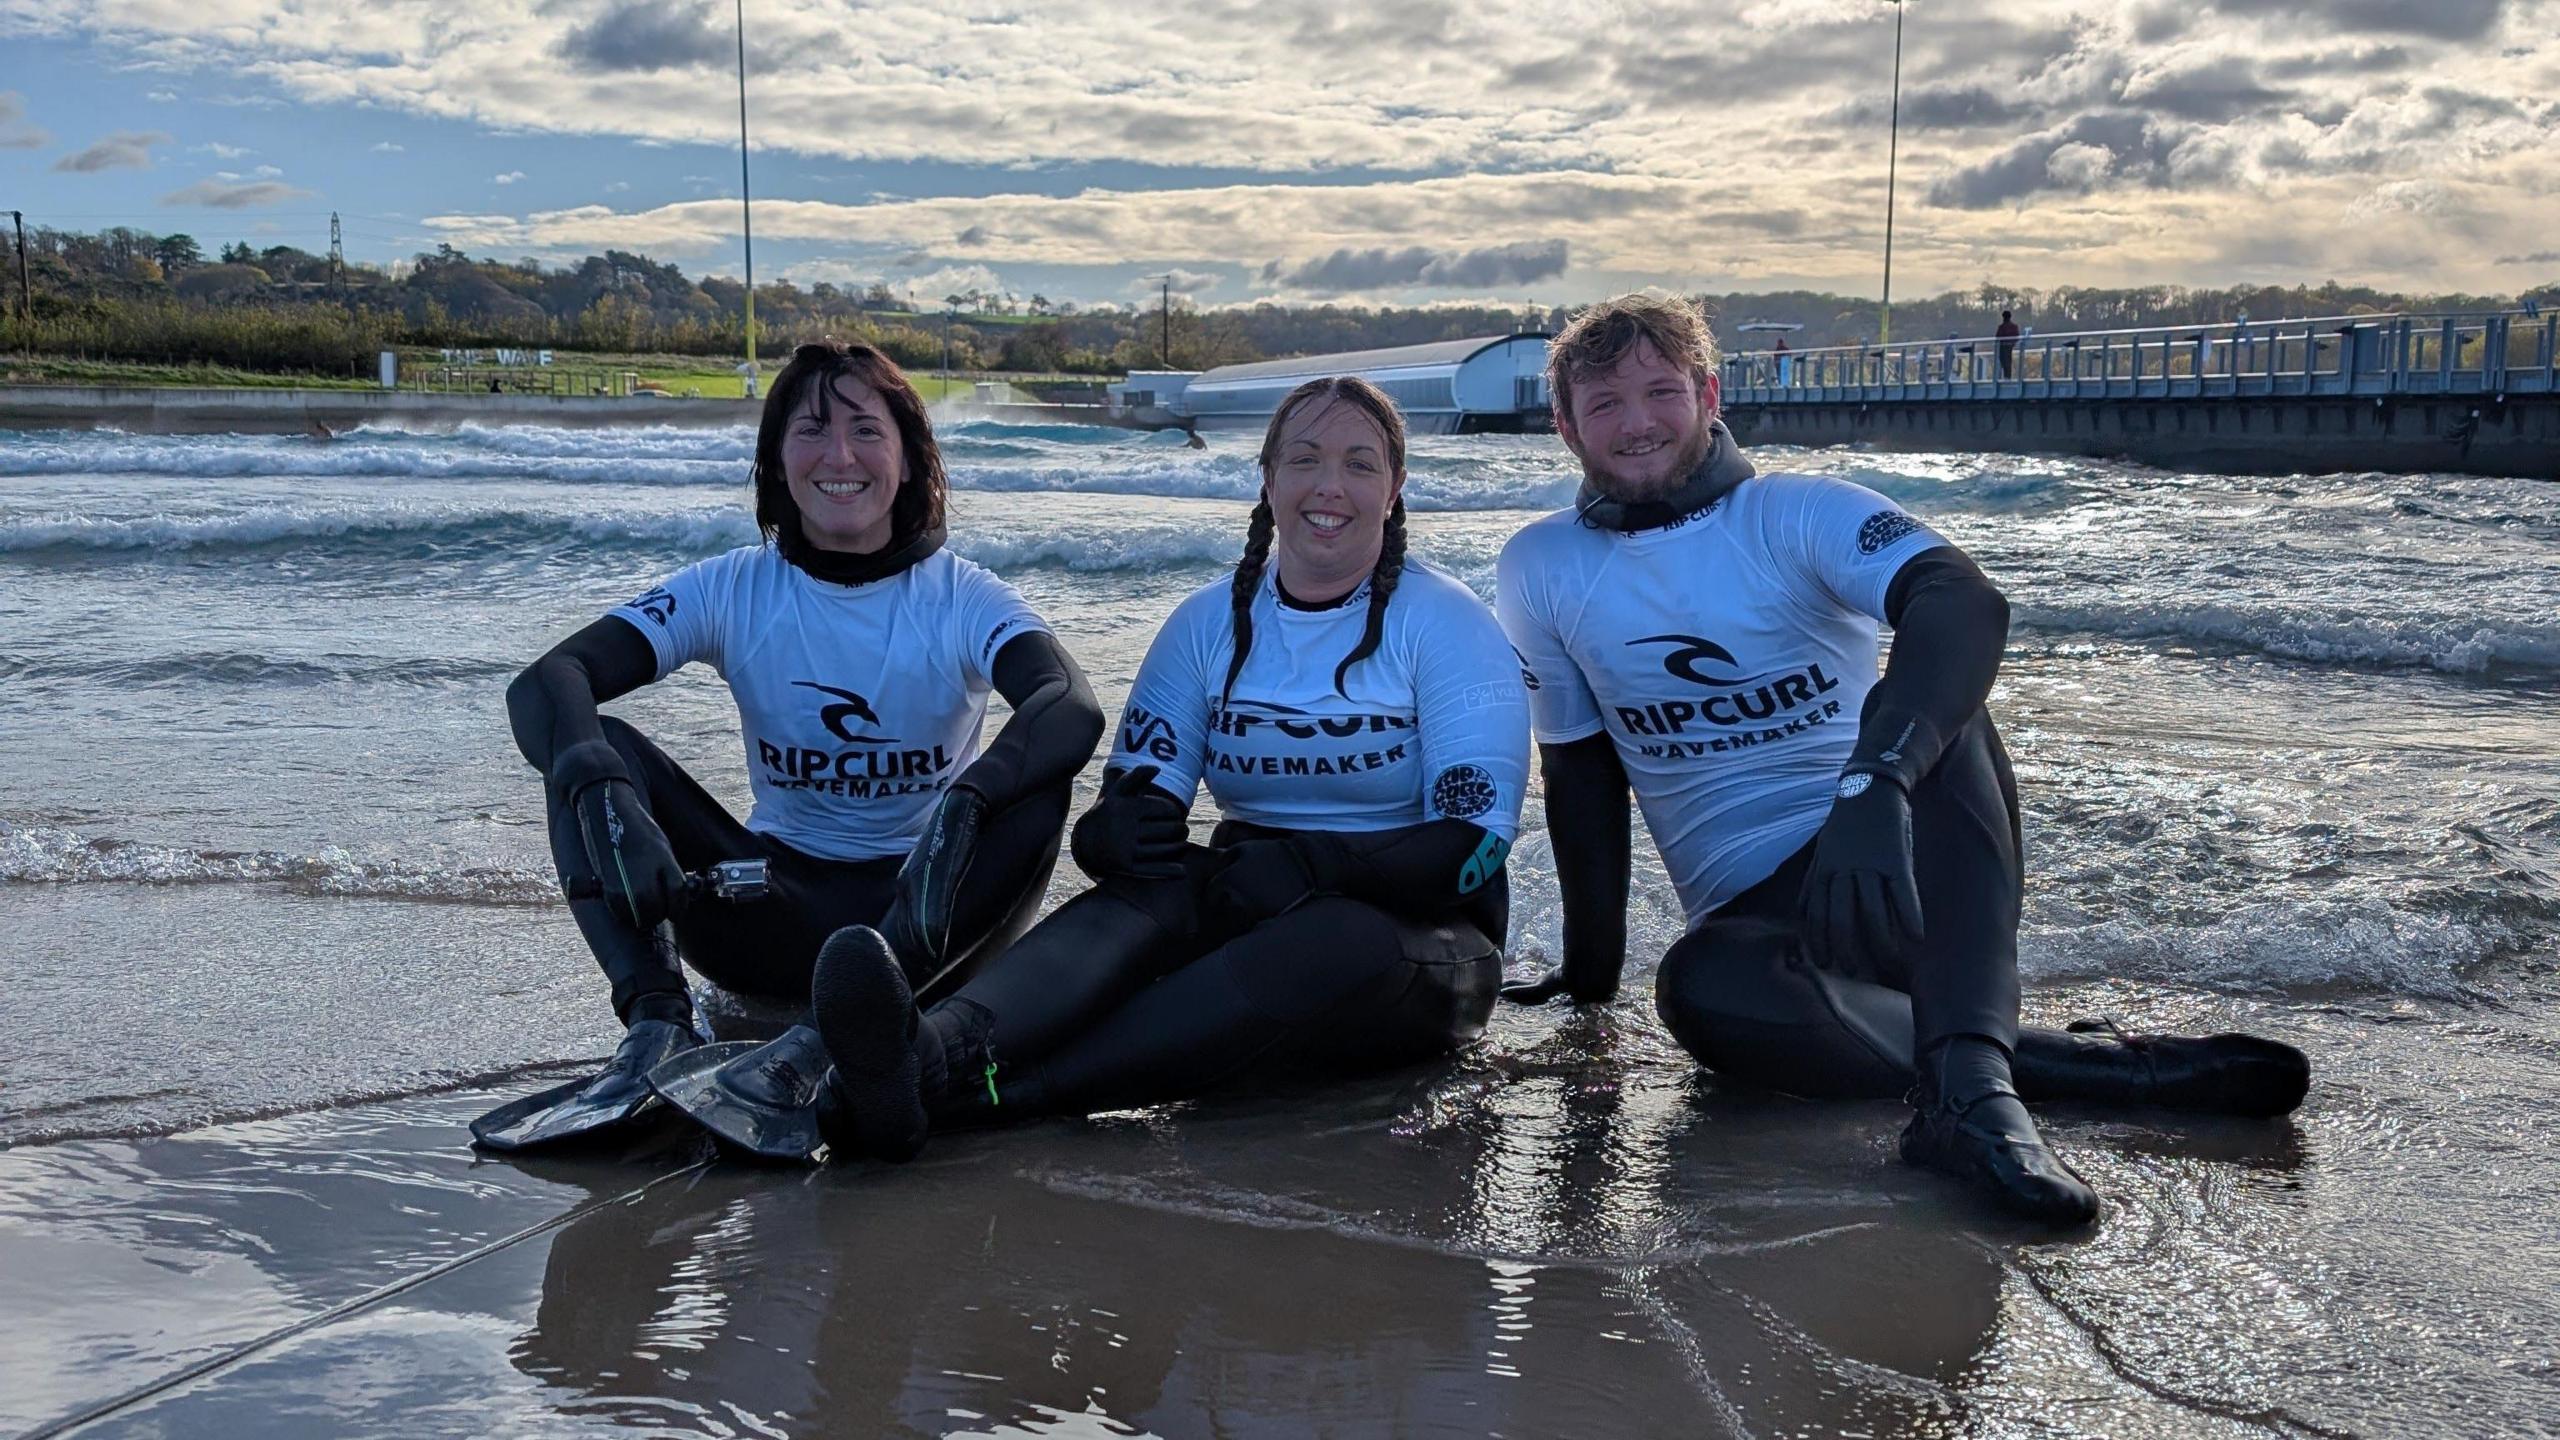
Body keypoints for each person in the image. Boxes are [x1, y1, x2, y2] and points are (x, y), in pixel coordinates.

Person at [1493, 292, 2308, 1226]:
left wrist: (1874, 784)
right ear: (1565, 426)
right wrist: (1588, 982)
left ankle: (1968, 1107)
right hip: (1776, 940)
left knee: (1939, 706)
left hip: (1903, 864)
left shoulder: (1794, 513)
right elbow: (1584, 769)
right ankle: (2069, 1069)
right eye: (1604, 404)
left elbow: (1963, 602)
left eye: (1660, 392)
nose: (1636, 424)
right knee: (1697, 989)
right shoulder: (1540, 566)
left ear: (1709, 393)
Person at [660, 376, 1531, 1162]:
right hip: (1259, 889)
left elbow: (1474, 851)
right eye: (1303, 459)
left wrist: (1316, 866)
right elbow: (1135, 798)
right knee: (1147, 896)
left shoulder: (1447, 627)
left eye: (1358, 463)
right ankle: (934, 1049)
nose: (1328, 486)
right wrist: (1115, 830)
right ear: (1267, 479)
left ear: (1396, 487)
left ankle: (981, 1101)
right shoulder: (1205, 625)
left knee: (1330, 938)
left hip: (1421, 937)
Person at [472, 339, 1104, 1152]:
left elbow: (1070, 703)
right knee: (593, 743)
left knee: (1038, 781)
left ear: (909, 459)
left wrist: (972, 798)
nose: (839, 456)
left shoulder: (964, 596)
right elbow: (549, 679)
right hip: (771, 917)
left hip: (929, 923)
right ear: (777, 459)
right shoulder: (734, 586)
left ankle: (814, 1050)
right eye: (810, 430)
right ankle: (658, 1032)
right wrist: (600, 784)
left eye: (866, 431)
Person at [1995, 309, 2020, 379]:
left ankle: (2006, 377)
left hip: (2004, 347)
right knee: (2007, 362)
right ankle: (2007, 377)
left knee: (2005, 363)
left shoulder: (2002, 327)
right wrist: (2012, 344)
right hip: (2008, 347)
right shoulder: (2014, 327)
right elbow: (2016, 337)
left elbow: (1997, 337)